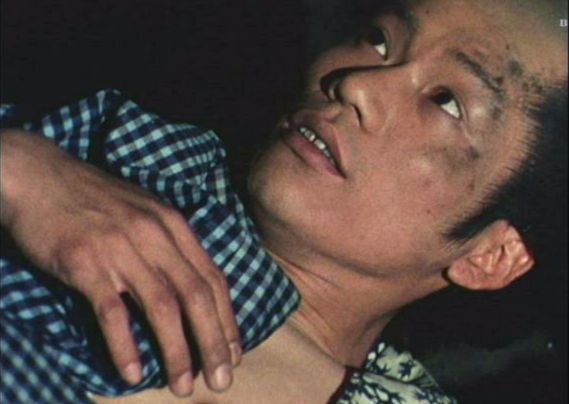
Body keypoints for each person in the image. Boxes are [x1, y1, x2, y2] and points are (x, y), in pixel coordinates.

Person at [1, 0, 567, 402]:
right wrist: (18, 170)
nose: (357, 83)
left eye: (445, 101)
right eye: (379, 40)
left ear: (492, 255)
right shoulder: (128, 153)